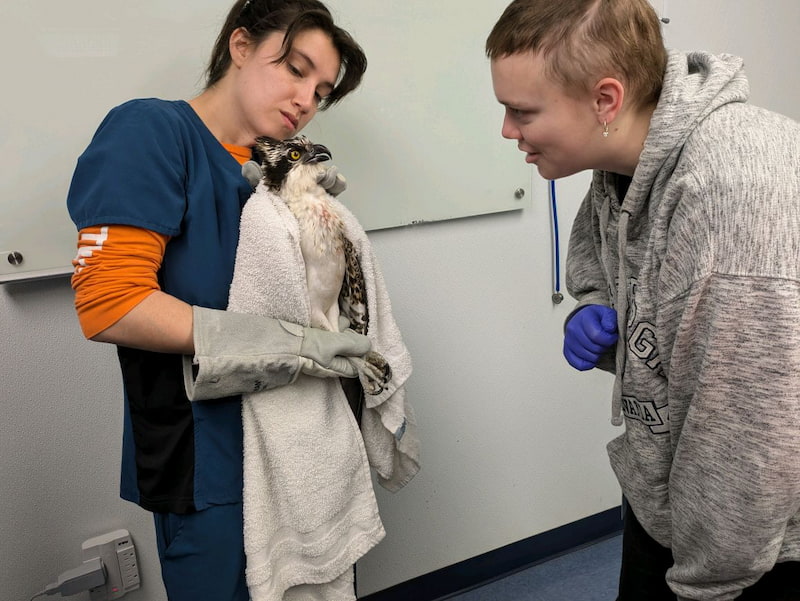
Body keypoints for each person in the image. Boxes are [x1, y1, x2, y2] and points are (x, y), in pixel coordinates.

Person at [486, 1, 800, 600]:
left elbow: (748, 445)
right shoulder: (625, 164)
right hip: (666, 494)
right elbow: (597, 259)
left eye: (521, 111)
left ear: (605, 100)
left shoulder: (729, 192)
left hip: (757, 543)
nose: (507, 130)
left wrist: (705, 586)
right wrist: (594, 306)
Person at [66, 1, 368, 599]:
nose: (307, 98)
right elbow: (110, 302)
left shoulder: (282, 171)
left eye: (323, 90)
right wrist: (288, 346)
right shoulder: (153, 132)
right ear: (240, 45)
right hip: (206, 452)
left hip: (302, 439)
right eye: (296, 69)